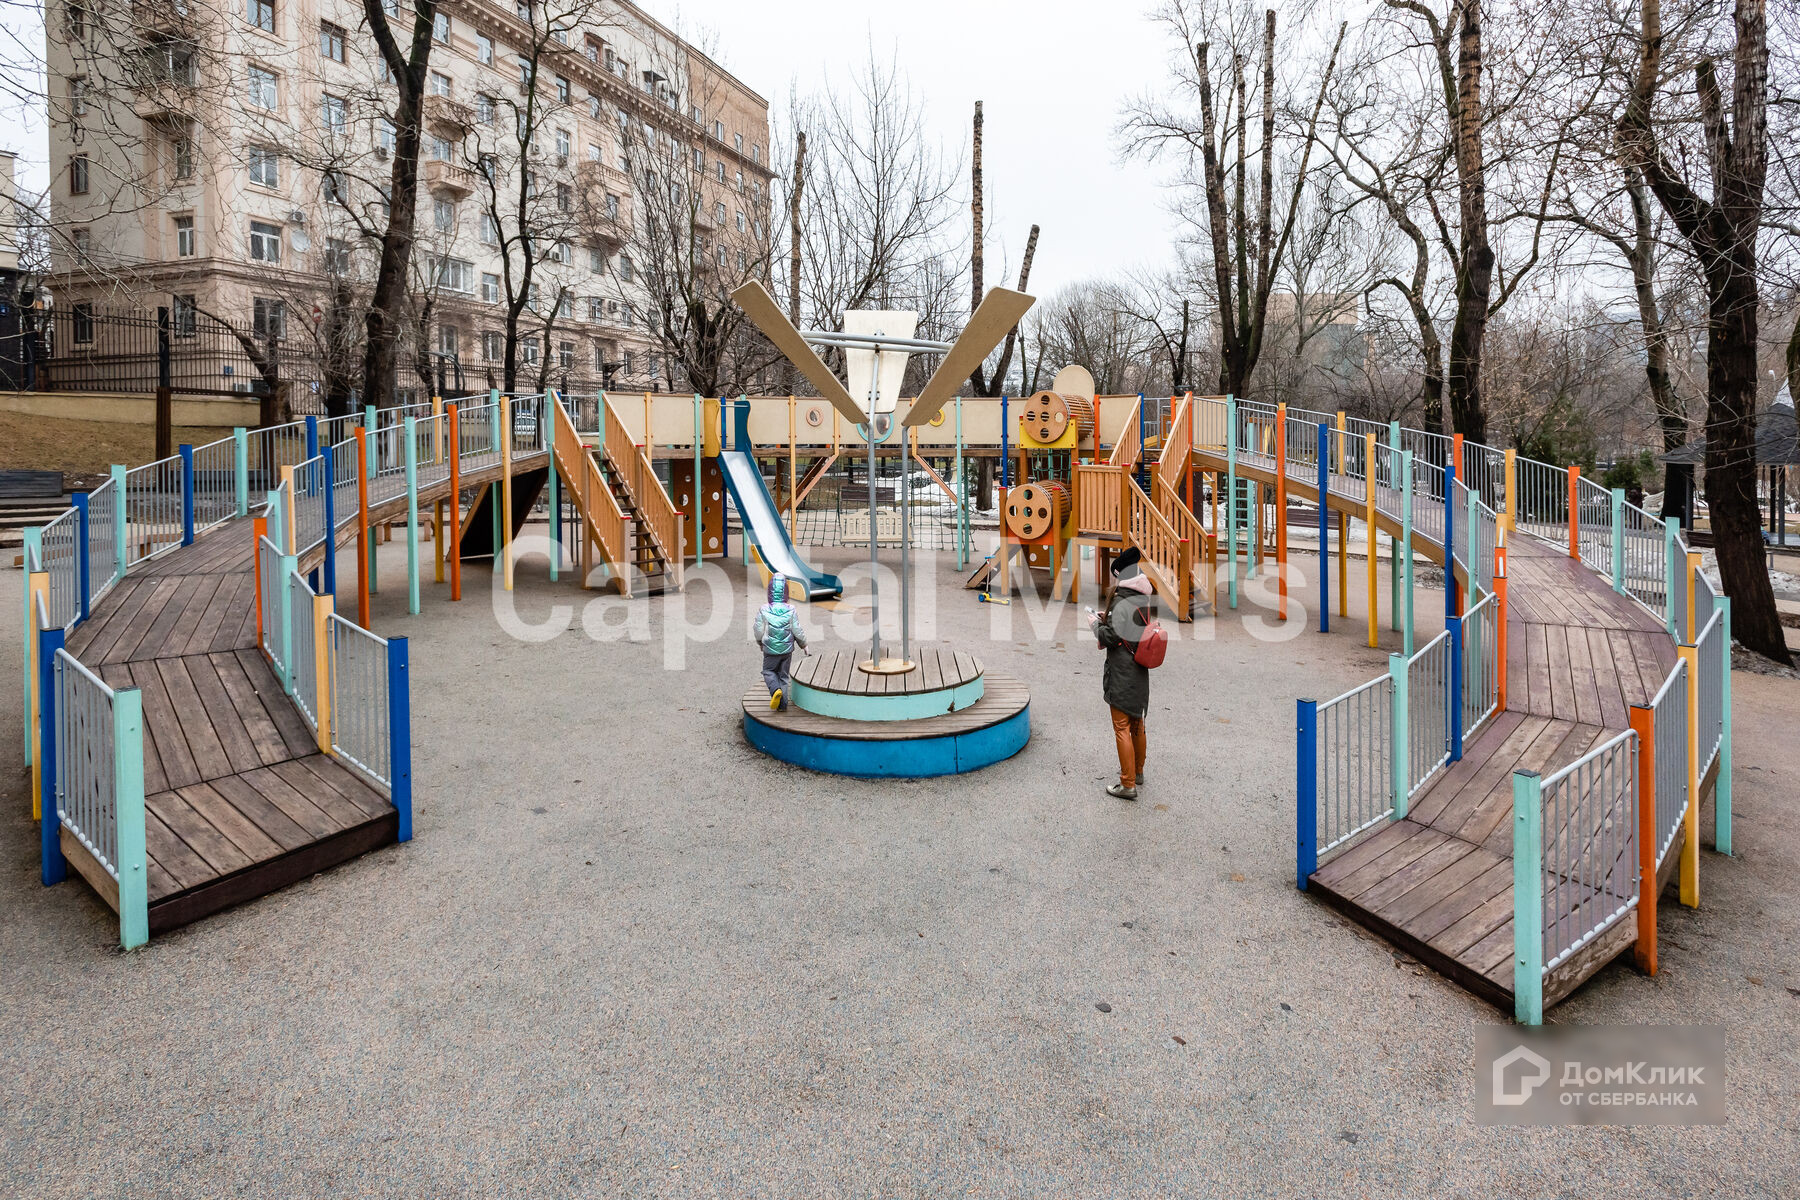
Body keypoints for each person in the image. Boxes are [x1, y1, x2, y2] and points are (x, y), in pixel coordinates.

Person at [1089, 546, 1156, 800]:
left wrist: (1095, 625)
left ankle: (1127, 784)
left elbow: (1112, 636)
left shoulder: (1121, 600)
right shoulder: (1142, 598)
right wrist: (1108, 619)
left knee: (1121, 726)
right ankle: (1137, 772)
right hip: (1138, 669)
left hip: (1122, 670)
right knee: (1137, 722)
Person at [753, 576, 807, 710]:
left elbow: (758, 629)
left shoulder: (764, 609)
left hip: (770, 649)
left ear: (770, 592)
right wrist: (804, 644)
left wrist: (760, 642)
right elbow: (797, 630)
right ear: (786, 592)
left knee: (768, 671)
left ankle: (775, 690)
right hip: (787, 650)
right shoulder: (791, 609)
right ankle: (782, 705)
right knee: (783, 676)